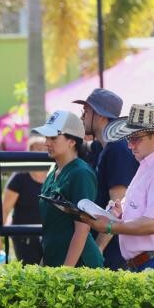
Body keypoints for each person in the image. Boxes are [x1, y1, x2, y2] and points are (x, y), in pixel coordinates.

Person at [86, 103, 154, 271]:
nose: (130, 145)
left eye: (135, 139)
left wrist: (110, 226)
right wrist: (121, 213)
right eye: (129, 138)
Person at [76, 88, 138, 270]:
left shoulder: (117, 149)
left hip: (114, 253)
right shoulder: (100, 148)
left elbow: (118, 205)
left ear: (101, 116)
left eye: (86, 111)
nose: (82, 117)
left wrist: (98, 249)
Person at [35, 111, 104, 269]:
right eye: (46, 137)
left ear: (72, 141)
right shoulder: (53, 173)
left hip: (78, 269)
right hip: (56, 265)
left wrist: (65, 273)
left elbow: (83, 227)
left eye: (53, 137)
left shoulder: (81, 173)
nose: (47, 143)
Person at [0, 136, 48, 264]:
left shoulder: (54, 177)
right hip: (23, 236)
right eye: (38, 149)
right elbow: (5, 209)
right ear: (30, 152)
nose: (43, 152)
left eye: (45, 149)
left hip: (49, 235)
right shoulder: (19, 178)